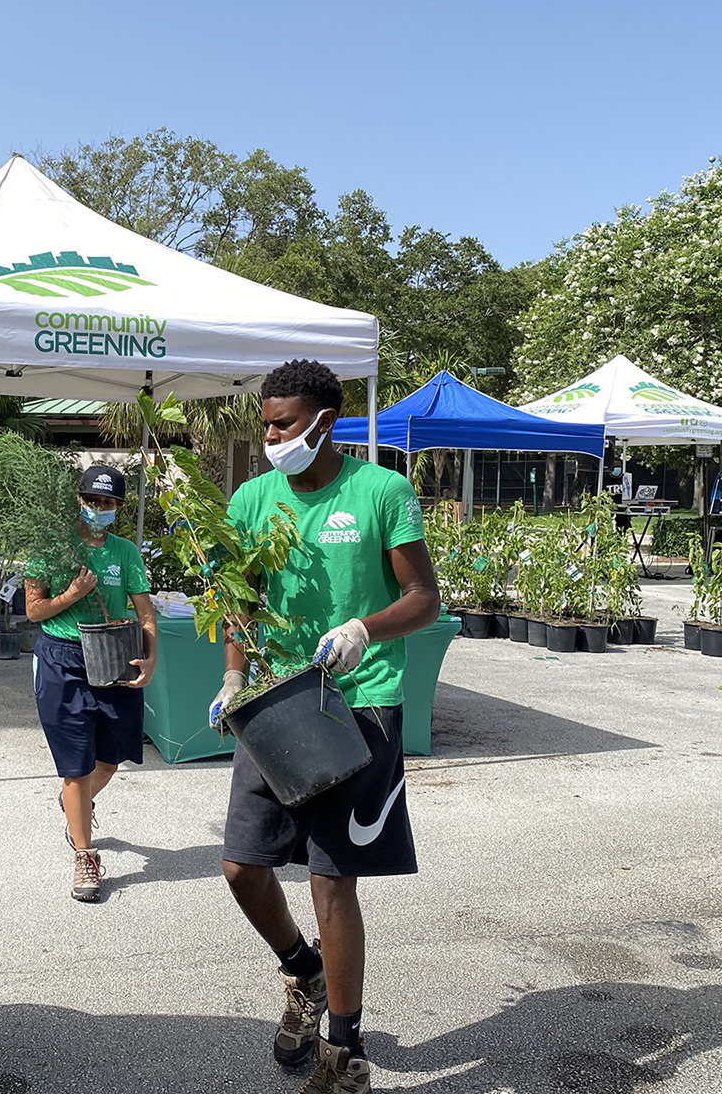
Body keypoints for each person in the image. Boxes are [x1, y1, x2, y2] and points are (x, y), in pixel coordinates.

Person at [212, 359, 440, 1094]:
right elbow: (239, 597)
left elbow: (424, 599)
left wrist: (363, 630)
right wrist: (234, 675)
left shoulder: (381, 491)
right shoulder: (251, 499)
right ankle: (303, 972)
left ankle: (344, 1057)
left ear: (324, 422)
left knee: (331, 881)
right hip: (278, 701)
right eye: (266, 422)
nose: (272, 435)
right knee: (243, 867)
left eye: (284, 423)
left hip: (359, 702)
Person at [24, 464, 158, 903]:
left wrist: (151, 657)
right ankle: (84, 854)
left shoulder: (125, 552)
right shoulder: (52, 547)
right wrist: (72, 596)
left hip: (113, 656)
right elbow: (33, 610)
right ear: (79, 501)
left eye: (110, 503)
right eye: (94, 501)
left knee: (111, 759)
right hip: (62, 661)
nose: (101, 509)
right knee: (76, 764)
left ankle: (73, 803)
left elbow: (145, 613)